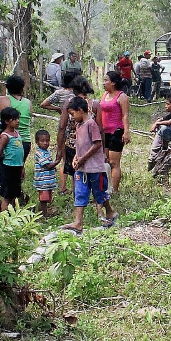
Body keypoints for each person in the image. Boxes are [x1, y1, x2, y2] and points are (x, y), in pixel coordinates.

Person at [58, 96, 116, 233]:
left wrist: (83, 158)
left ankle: (110, 212)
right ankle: (78, 222)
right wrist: (76, 158)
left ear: (80, 110)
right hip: (81, 168)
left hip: (94, 168)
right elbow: (79, 145)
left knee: (99, 193)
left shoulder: (91, 124)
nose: (71, 117)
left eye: (72, 114)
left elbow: (97, 144)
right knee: (80, 193)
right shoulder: (78, 126)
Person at [98, 70, 130, 194]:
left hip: (116, 131)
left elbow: (125, 115)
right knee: (104, 160)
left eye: (106, 80)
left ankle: (115, 190)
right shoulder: (105, 95)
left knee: (114, 162)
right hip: (104, 132)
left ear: (113, 82)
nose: (104, 83)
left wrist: (126, 132)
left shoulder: (122, 96)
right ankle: (106, 187)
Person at [0, 107, 24, 210]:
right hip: (8, 168)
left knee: (14, 194)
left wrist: (22, 167)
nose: (18, 121)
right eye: (14, 119)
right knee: (7, 195)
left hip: (17, 167)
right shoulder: (5, 136)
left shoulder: (17, 134)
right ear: (7, 121)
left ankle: (12, 213)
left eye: (18, 118)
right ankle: (4, 214)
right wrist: (7, 156)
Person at [5, 74, 33, 161]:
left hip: (9, 140)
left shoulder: (5, 100)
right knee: (20, 166)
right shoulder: (28, 102)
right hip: (25, 140)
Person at [33, 129, 58, 216]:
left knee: (47, 198)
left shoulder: (47, 152)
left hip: (48, 180)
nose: (45, 143)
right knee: (43, 198)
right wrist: (57, 161)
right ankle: (44, 214)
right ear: (37, 142)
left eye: (47, 140)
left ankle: (41, 212)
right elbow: (47, 166)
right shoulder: (39, 153)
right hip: (42, 181)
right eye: (42, 141)